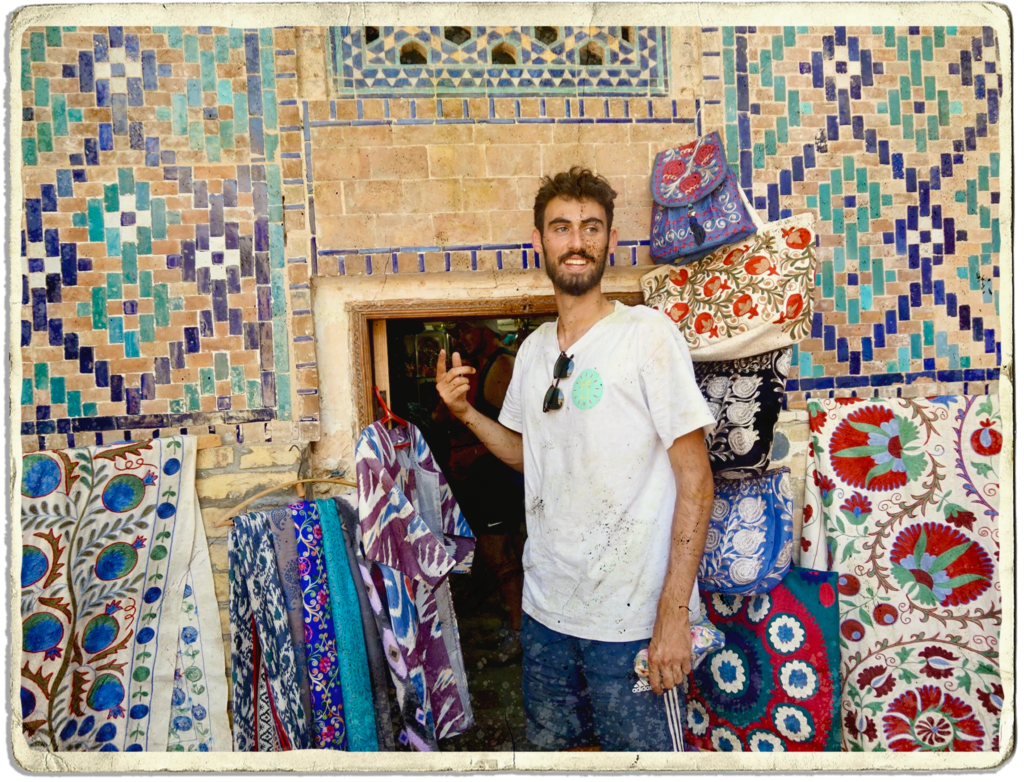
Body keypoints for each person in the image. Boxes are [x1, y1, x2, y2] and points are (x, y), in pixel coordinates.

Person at [434, 167, 716, 752]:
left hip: (631, 623)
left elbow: (696, 483)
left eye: (591, 227)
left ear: (611, 241)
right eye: (561, 227)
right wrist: (465, 416)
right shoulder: (534, 351)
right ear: (540, 241)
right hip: (547, 617)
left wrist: (673, 615)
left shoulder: (647, 336)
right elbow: (525, 454)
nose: (577, 240)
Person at [435, 319, 526, 663]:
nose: (459, 337)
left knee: (498, 554)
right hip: (488, 476)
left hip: (500, 476)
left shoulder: (501, 366)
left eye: (466, 329)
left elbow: (519, 430)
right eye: (457, 331)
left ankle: (518, 632)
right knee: (507, 552)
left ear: (486, 329)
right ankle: (520, 624)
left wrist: (473, 453)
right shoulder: (476, 367)